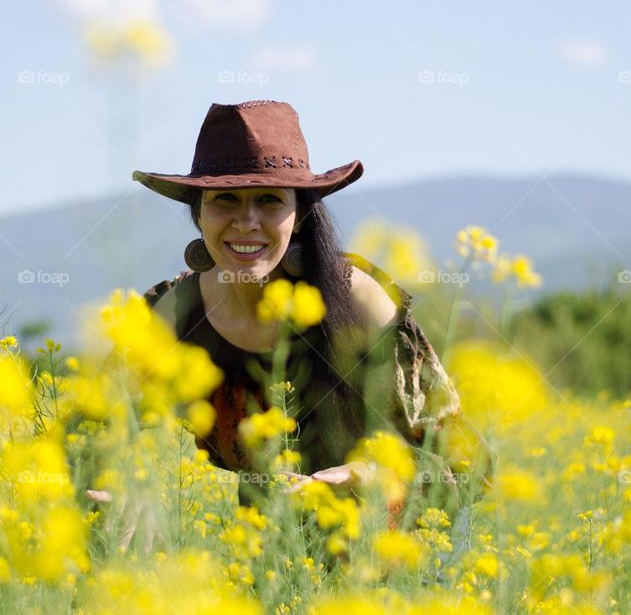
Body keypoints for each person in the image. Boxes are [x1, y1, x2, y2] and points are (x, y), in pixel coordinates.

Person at [106, 101, 491, 549]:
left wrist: (369, 474)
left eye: (269, 200)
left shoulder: (359, 300)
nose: (246, 222)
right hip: (251, 558)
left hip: (392, 554)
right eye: (224, 199)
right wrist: (124, 490)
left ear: (301, 213)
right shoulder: (170, 314)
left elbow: (466, 466)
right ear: (199, 213)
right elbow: (97, 441)